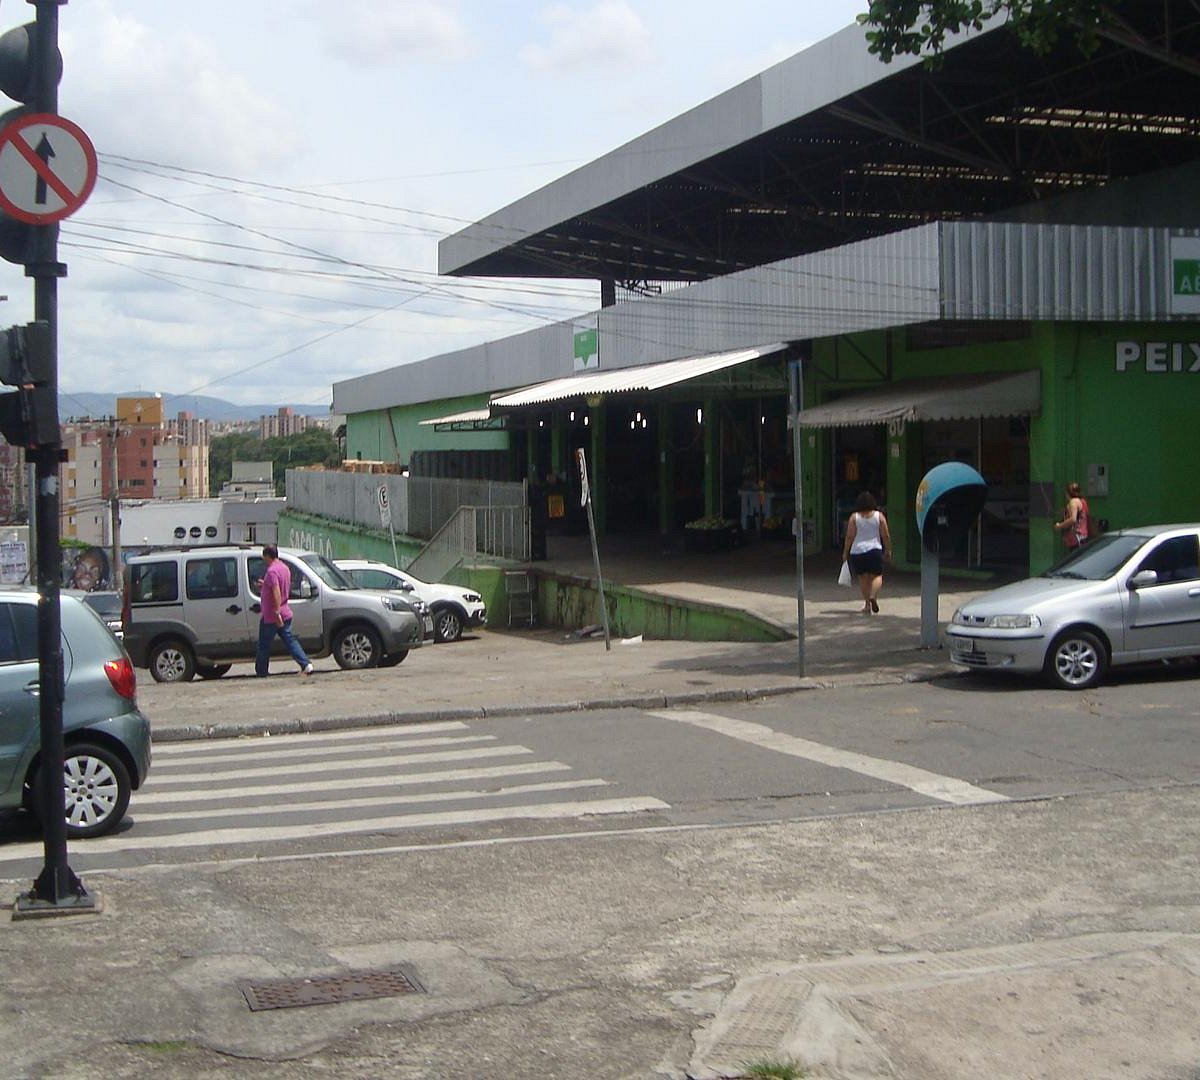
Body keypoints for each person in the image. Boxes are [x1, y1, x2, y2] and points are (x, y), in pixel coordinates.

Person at [255, 545, 314, 677]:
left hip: (272, 615)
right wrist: (265, 585)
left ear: (268, 556)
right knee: (290, 639)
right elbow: (280, 587)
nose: (263, 559)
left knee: (264, 644)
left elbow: (276, 591)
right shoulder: (284, 568)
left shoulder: (271, 571)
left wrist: (276, 612)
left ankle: (261, 671)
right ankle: (306, 664)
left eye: (264, 556)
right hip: (285, 611)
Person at [842, 491, 892, 614]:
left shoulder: (854, 517)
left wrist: (845, 552)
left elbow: (849, 536)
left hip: (857, 552)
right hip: (875, 550)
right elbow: (885, 535)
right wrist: (888, 549)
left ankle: (867, 605)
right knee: (877, 575)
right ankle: (873, 595)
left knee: (863, 578)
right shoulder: (879, 516)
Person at [1053, 482, 1090, 550]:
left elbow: (1073, 519)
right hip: (1083, 536)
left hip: (1076, 537)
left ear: (1068, 493)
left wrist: (1059, 525)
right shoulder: (1082, 501)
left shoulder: (1073, 502)